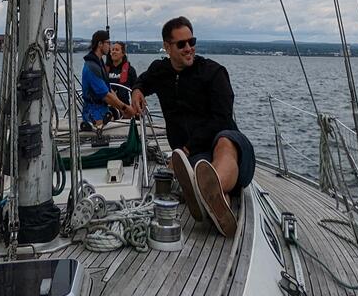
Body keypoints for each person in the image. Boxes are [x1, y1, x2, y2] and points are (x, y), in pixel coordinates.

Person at [131, 16, 255, 237]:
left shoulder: (213, 73)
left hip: (232, 149)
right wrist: (137, 90)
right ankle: (218, 202)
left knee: (224, 141)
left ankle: (206, 192)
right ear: (167, 47)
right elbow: (144, 80)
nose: (189, 48)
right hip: (198, 158)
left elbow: (222, 117)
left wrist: (187, 148)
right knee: (201, 168)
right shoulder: (160, 71)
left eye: (191, 41)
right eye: (181, 44)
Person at [81, 30, 134, 131]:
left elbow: (109, 90)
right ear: (100, 44)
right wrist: (125, 108)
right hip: (94, 115)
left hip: (104, 111)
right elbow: (105, 95)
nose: (109, 47)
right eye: (108, 43)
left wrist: (122, 109)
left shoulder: (99, 63)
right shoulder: (91, 67)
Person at [107, 41, 138, 105]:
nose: (114, 52)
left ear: (123, 53)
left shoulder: (130, 70)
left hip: (124, 107)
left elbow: (135, 90)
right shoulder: (104, 70)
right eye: (112, 50)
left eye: (117, 50)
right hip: (107, 107)